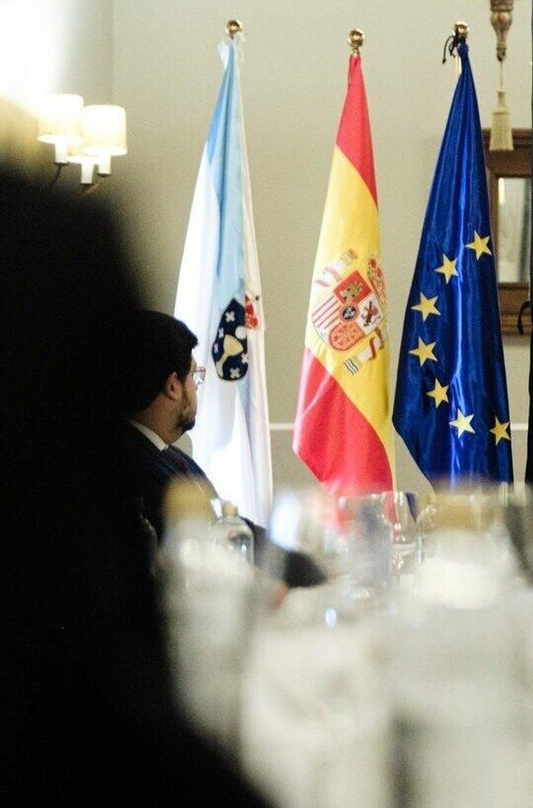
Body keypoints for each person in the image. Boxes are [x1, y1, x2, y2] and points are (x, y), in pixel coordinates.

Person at [0, 149, 268, 805]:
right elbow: (109, 672)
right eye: (193, 376)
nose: (196, 388)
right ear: (170, 381)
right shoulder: (49, 250)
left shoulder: (169, 460)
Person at [112, 309, 323, 587]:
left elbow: (232, 527)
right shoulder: (133, 468)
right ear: (173, 386)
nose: (196, 388)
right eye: (194, 377)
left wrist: (307, 568)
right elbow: (210, 553)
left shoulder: (165, 454)